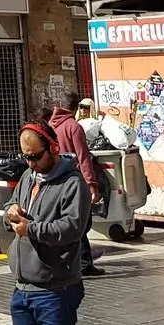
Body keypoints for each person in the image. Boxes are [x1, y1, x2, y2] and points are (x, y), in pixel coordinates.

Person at [4, 120, 91, 325]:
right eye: (26, 157)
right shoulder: (28, 177)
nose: (31, 163)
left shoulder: (73, 183)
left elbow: (72, 228)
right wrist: (11, 211)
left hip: (55, 291)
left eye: (35, 156)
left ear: (53, 148)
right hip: (22, 288)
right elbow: (11, 202)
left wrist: (31, 229)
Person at [49, 91, 102, 277]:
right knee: (82, 223)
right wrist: (92, 184)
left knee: (66, 221)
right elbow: (83, 157)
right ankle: (84, 263)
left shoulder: (50, 126)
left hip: (56, 181)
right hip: (75, 181)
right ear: (75, 108)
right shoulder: (73, 127)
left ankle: (72, 261)